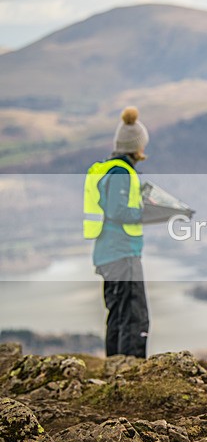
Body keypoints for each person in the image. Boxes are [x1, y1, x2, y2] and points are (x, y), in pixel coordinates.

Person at [84, 106, 150, 358]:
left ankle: (115, 372)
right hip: (123, 255)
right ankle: (131, 378)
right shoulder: (122, 172)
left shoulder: (108, 170)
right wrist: (144, 211)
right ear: (137, 146)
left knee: (118, 317)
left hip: (107, 254)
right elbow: (118, 210)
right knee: (135, 318)